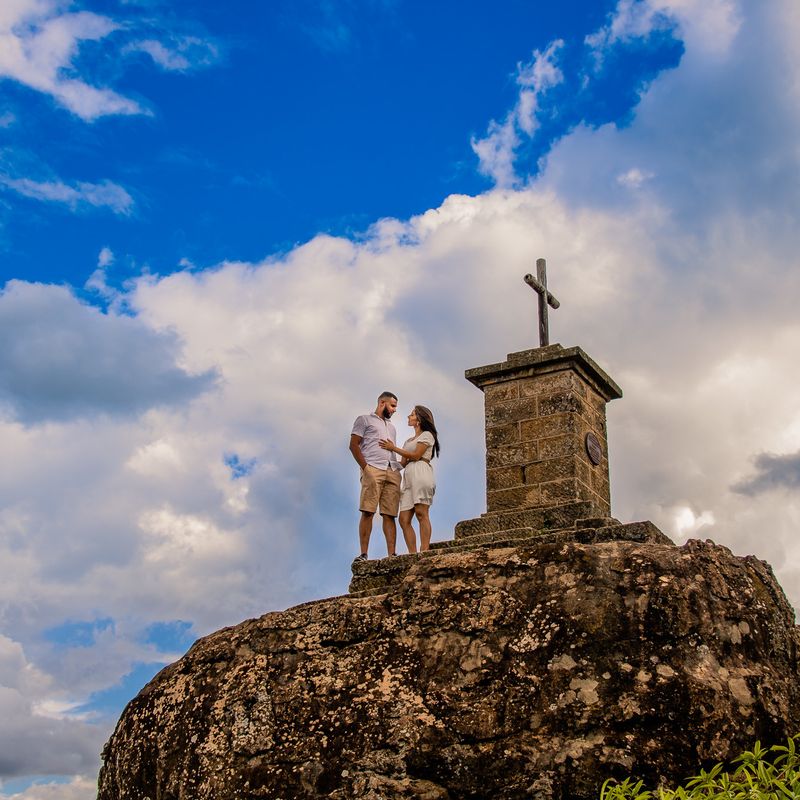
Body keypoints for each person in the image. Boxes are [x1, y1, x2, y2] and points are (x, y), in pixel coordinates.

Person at [379, 405, 440, 553]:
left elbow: (416, 455)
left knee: (421, 513)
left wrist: (393, 448)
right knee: (403, 519)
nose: (409, 417)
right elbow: (403, 463)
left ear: (419, 419)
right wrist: (385, 465)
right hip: (408, 479)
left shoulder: (427, 435)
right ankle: (412, 553)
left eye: (412, 415)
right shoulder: (408, 441)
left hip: (421, 473)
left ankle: (424, 549)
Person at [349, 392, 402, 561]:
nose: (394, 410)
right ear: (382, 403)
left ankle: (392, 555)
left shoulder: (392, 427)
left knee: (390, 514)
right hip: (372, 468)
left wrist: (398, 469)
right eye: (392, 406)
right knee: (368, 511)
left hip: (391, 470)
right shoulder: (364, 420)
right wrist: (366, 469)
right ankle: (364, 554)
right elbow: (353, 445)